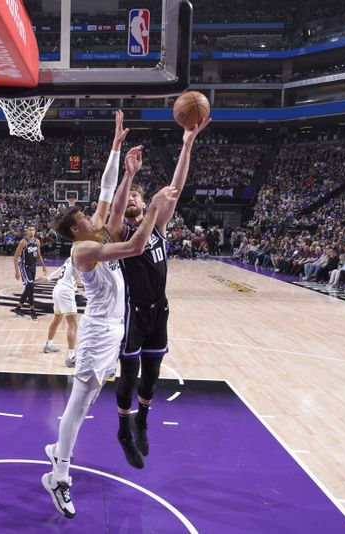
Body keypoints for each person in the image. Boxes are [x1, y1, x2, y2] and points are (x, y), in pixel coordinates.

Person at [42, 146, 176, 519]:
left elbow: (107, 194)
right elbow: (134, 246)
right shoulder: (84, 249)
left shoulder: (94, 233)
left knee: (86, 402)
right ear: (75, 230)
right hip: (99, 331)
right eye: (85, 216)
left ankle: (58, 451)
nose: (93, 216)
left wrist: (122, 161)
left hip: (115, 330)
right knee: (78, 401)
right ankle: (59, 476)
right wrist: (151, 209)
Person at [107, 117, 210, 469]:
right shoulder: (119, 232)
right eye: (132, 196)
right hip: (132, 310)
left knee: (152, 374)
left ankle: (142, 421)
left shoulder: (159, 226)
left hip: (159, 309)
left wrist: (187, 144)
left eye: (137, 194)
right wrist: (129, 175)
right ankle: (123, 429)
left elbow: (176, 187)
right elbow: (117, 209)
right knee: (129, 373)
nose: (134, 198)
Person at [43, 257, 80, 367]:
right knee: (73, 325)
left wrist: (48, 278)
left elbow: (59, 270)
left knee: (57, 319)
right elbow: (80, 278)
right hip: (66, 291)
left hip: (57, 288)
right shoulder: (81, 258)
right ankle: (71, 357)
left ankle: (48, 344)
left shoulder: (70, 258)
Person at [11, 226, 48, 320]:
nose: (31, 231)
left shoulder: (37, 241)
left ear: (35, 231)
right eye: (29, 229)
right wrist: (17, 271)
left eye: (33, 229)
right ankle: (32, 311)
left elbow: (39, 254)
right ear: (27, 231)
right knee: (31, 287)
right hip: (24, 267)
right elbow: (15, 257)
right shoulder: (23, 242)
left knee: (28, 288)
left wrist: (43, 266)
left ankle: (18, 308)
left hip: (33, 267)